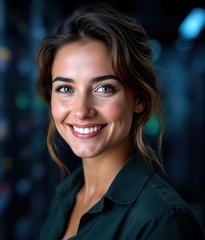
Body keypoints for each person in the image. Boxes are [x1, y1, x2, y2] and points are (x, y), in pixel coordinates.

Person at [36, 3, 205, 240]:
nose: (82, 110)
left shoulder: (161, 220)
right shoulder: (66, 194)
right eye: (65, 88)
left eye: (104, 88)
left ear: (140, 100)